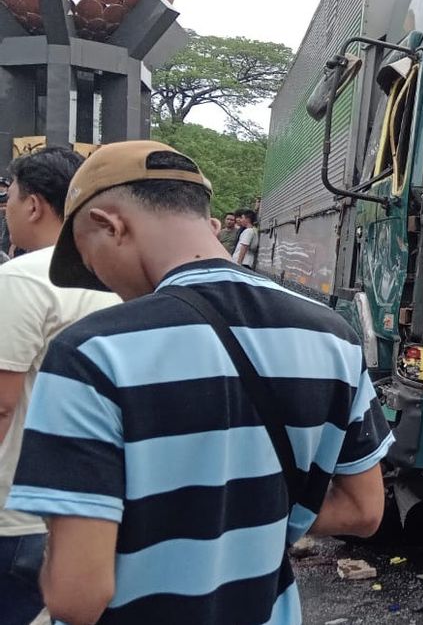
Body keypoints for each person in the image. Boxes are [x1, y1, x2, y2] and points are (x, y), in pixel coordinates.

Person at [6, 141, 394, 625]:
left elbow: (76, 597)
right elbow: (363, 510)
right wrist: (240, 512)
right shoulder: (332, 335)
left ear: (111, 224)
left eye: (90, 260)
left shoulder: (90, 353)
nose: (100, 282)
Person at [0, 148, 122, 625]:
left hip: (16, 511)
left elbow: (2, 405)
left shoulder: (21, 279)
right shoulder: (117, 274)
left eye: (9, 198)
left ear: (33, 205)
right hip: (93, 509)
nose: (7, 211)